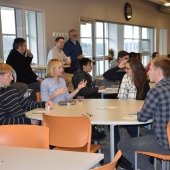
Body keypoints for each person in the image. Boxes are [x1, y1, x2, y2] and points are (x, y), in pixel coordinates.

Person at [118, 57, 170, 170]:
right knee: (145, 132)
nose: (147, 72)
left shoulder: (155, 91)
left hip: (163, 142)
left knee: (123, 144)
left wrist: (139, 112)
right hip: (166, 135)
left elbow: (142, 117)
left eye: (150, 69)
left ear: (158, 72)